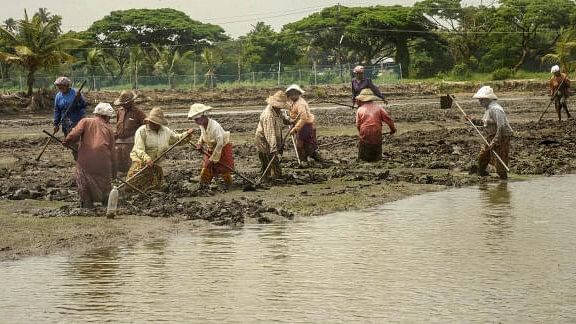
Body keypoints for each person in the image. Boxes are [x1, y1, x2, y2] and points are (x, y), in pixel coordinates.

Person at [62, 103, 116, 208]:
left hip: (85, 160)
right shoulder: (109, 129)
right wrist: (114, 170)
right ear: (106, 116)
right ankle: (106, 202)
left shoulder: (85, 121)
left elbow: (74, 133)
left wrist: (67, 140)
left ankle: (86, 202)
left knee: (83, 179)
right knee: (105, 182)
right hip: (103, 161)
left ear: (97, 113)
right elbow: (112, 151)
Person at [127, 107, 192, 192]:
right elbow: (139, 149)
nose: (152, 124)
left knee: (156, 188)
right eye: (151, 122)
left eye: (155, 123)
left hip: (156, 163)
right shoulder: (142, 131)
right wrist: (147, 159)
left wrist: (186, 134)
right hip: (141, 163)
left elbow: (176, 139)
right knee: (131, 187)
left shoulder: (166, 131)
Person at [470, 86, 513, 180]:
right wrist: (472, 120)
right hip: (491, 135)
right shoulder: (489, 108)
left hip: (502, 136)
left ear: (487, 99)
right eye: (479, 100)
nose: (479, 102)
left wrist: (495, 141)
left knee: (500, 161)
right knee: (483, 156)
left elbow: (501, 127)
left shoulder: (496, 109)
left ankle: (503, 180)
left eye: (481, 100)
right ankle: (481, 173)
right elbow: (485, 123)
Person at [188, 103, 235, 189]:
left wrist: (213, 158)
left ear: (204, 116)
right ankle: (204, 184)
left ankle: (229, 185)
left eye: (198, 119)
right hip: (212, 147)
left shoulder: (215, 127)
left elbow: (220, 143)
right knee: (206, 166)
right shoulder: (202, 125)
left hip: (222, 147)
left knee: (223, 168)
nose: (197, 122)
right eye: (195, 120)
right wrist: (200, 143)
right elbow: (203, 135)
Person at [255, 90, 292, 179]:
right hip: (264, 141)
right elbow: (270, 134)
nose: (281, 108)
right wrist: (274, 148)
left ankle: (267, 175)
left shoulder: (277, 110)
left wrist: (290, 121)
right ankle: (270, 176)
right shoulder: (269, 116)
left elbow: (283, 118)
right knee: (271, 163)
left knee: (269, 164)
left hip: (272, 139)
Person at [355, 88, 396, 162]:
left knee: (363, 154)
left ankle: (363, 158)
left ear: (362, 99)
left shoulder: (360, 110)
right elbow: (389, 120)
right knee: (376, 148)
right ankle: (376, 158)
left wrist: (361, 134)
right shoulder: (379, 108)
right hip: (376, 133)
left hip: (364, 133)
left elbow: (358, 125)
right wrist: (392, 129)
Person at [285, 84, 322, 163]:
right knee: (304, 145)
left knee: (302, 145)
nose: (292, 96)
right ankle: (305, 160)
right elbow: (294, 112)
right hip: (301, 125)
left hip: (305, 126)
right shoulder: (294, 102)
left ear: (298, 94)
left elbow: (303, 118)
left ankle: (304, 161)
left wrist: (295, 129)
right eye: (291, 94)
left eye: (294, 94)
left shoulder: (300, 104)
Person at [53, 76, 87, 160]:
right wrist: (56, 124)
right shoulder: (58, 96)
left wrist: (79, 99)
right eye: (58, 86)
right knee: (70, 141)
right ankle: (77, 157)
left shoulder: (76, 93)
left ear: (67, 85)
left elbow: (84, 105)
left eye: (62, 86)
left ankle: (82, 158)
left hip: (77, 120)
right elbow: (57, 110)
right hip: (65, 122)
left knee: (76, 139)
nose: (60, 88)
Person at [113, 90, 147, 173]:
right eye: (122, 104)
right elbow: (118, 125)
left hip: (132, 142)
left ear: (131, 102)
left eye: (125, 103)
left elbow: (145, 127)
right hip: (119, 141)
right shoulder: (120, 111)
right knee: (119, 164)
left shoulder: (138, 112)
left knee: (131, 165)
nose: (123, 105)